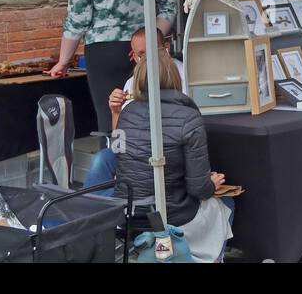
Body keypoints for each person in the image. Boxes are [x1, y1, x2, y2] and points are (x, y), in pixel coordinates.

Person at [84, 41, 233, 262]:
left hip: (129, 214)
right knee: (227, 204)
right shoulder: (189, 117)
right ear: (175, 77)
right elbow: (198, 189)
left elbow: (117, 152)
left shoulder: (128, 112)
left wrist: (116, 114)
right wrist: (212, 183)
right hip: (169, 215)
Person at [49, 0, 175, 135]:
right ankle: (149, 159)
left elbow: (77, 20)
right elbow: (169, 6)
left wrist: (62, 61)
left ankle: (114, 162)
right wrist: (152, 38)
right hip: (144, 49)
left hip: (103, 52)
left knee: (110, 112)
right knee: (149, 108)